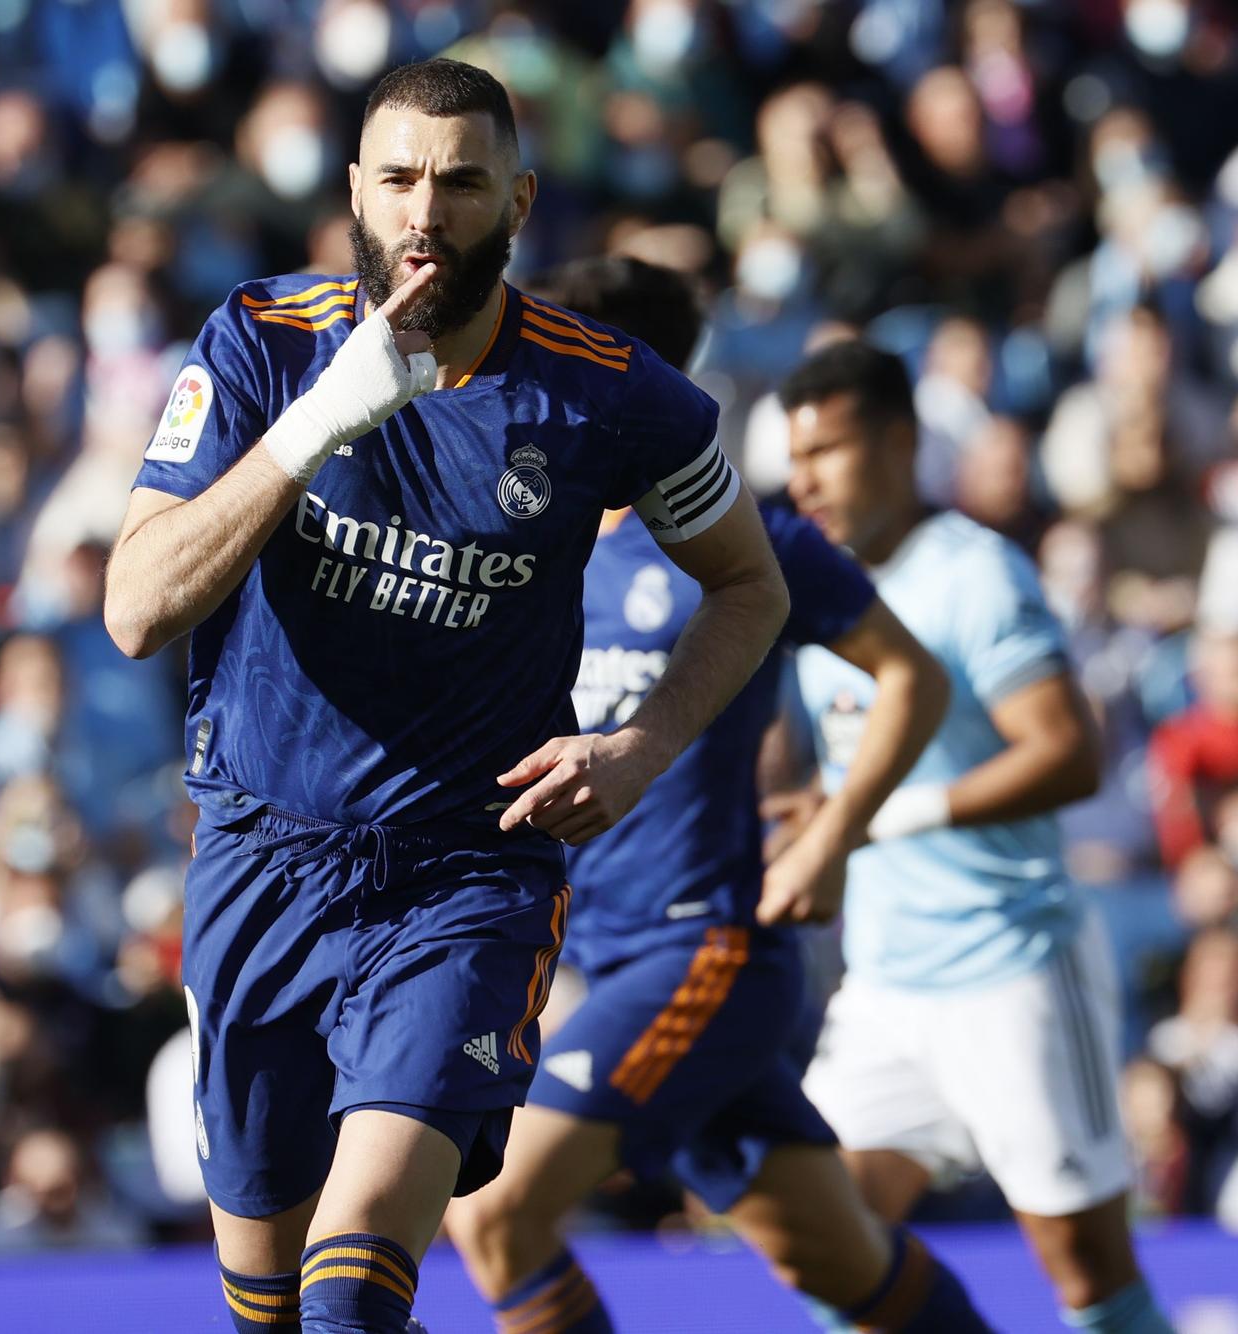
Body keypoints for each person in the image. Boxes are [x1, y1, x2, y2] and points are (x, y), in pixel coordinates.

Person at [104, 60, 792, 1334]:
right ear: (353, 193)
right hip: (260, 856)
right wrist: (313, 428)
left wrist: (639, 747)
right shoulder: (259, 342)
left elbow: (749, 584)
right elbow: (137, 608)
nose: (426, 213)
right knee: (268, 1311)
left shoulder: (611, 392)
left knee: (350, 1288)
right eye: (400, 179)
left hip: (463, 879)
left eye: (462, 182)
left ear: (517, 200)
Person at [444, 256, 987, 1333]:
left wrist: (833, 831)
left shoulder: (743, 545)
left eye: (549, 354)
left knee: (496, 1217)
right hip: (601, 960)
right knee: (840, 1261)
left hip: (703, 950)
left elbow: (912, 677)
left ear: (624, 370)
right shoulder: (533, 554)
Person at [778, 341, 1173, 1334]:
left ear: (901, 442)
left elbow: (1067, 752)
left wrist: (878, 815)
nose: (805, 477)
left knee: (1085, 1270)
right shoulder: (823, 590)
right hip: (883, 988)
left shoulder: (972, 572)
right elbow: (848, 771)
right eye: (796, 454)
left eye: (828, 448)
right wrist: (810, 817)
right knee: (832, 1251)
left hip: (1009, 969)